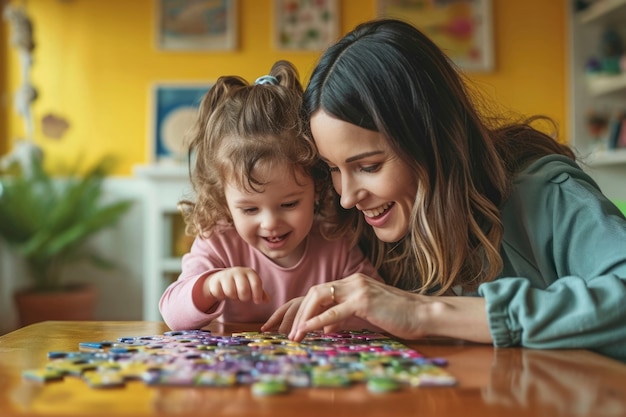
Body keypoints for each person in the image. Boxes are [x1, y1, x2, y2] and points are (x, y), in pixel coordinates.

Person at [262, 19, 626, 361]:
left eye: (369, 166)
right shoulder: (367, 228)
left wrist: (426, 312)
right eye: (334, 169)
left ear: (430, 141)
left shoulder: (546, 194)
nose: (348, 196)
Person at [159, 60, 382, 331]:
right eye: (250, 209)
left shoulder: (336, 244)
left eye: (289, 204)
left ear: (318, 188)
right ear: (224, 200)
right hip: (235, 371)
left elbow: (377, 312)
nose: (270, 223)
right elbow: (172, 314)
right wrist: (209, 286)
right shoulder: (218, 243)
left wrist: (333, 309)